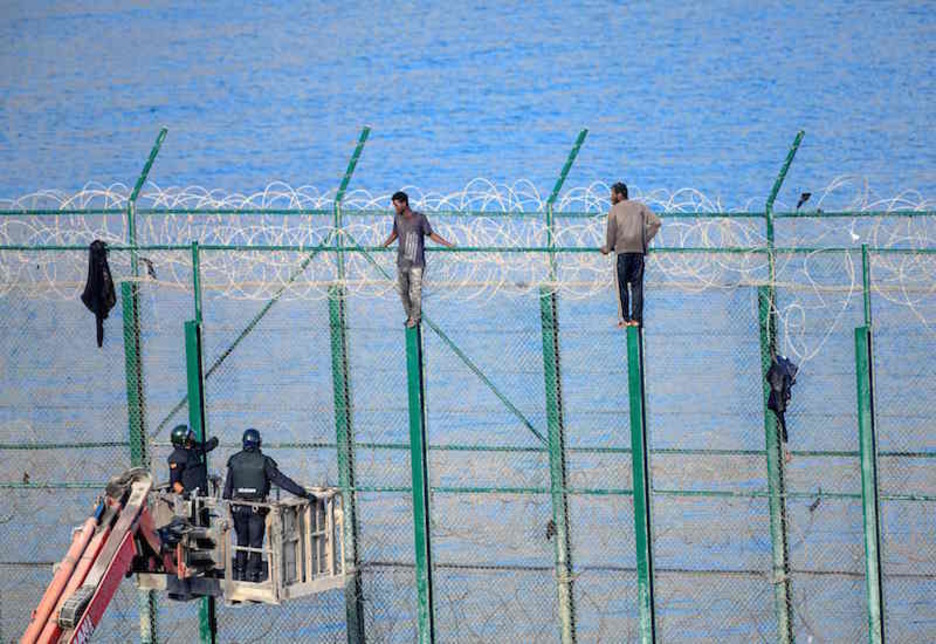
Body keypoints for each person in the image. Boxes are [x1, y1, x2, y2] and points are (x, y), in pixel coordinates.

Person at [222, 428, 315, 582]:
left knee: (241, 541)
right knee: (256, 542)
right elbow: (282, 481)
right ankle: (253, 574)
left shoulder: (234, 460)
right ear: (259, 443)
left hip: (237, 507)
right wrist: (303, 493)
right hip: (257, 508)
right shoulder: (264, 462)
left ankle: (239, 572)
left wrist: (227, 505)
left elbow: (227, 488)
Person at [381, 191, 455, 327]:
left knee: (416, 292)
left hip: (416, 263)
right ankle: (410, 316)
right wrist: (384, 244)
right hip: (402, 261)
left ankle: (415, 318)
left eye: (396, 205)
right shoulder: (397, 217)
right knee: (403, 292)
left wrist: (447, 244)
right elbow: (395, 233)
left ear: (404, 203)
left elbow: (431, 234)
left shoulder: (419, 218)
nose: (395, 208)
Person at [600, 182, 661, 327]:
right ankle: (636, 319)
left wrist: (607, 248)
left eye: (613, 194)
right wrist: (643, 239)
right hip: (638, 251)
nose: (611, 197)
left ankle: (625, 319)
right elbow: (656, 223)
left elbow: (611, 232)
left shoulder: (614, 210)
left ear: (620, 195)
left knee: (621, 286)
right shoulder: (640, 207)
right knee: (636, 286)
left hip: (623, 251)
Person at [168, 424, 219, 496]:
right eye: (190, 436)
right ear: (183, 439)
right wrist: (184, 493)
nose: (192, 437)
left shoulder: (193, 449)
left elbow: (204, 447)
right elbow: (175, 482)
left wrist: (213, 442)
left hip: (202, 490)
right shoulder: (177, 458)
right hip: (190, 495)